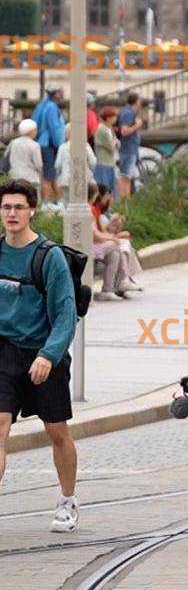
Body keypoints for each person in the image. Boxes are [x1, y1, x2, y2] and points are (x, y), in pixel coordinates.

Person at [0, 179, 80, 532]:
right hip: (4, 352)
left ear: (32, 210)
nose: (12, 213)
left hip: (44, 352)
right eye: (6, 207)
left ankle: (67, 500)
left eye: (18, 207)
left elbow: (66, 313)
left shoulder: (50, 257)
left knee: (56, 430)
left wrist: (49, 354)